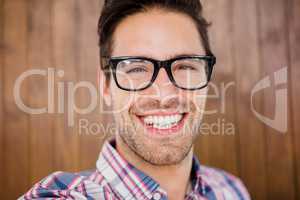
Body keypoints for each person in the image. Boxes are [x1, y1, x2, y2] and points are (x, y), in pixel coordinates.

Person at [20, 0, 250, 199]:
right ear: (106, 86)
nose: (163, 94)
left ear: (207, 77)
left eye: (185, 66)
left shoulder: (231, 190)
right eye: (137, 68)